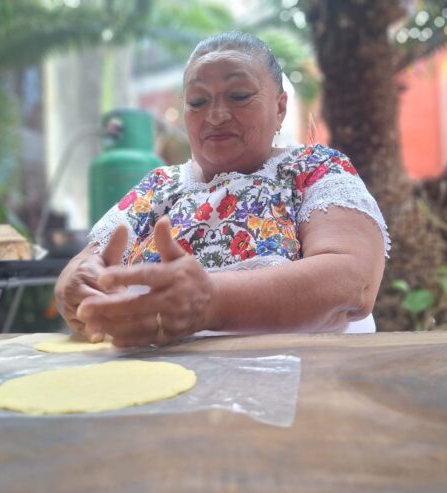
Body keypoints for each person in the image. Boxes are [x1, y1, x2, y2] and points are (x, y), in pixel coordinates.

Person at [54, 31, 390, 348]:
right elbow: (86, 264)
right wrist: (78, 285)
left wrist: (210, 302)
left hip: (298, 388)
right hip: (157, 388)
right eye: (198, 101)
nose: (215, 116)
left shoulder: (313, 169)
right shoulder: (158, 187)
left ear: (280, 107)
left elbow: (352, 280)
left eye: (239, 96)